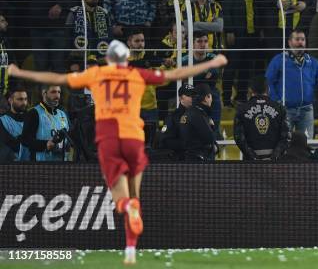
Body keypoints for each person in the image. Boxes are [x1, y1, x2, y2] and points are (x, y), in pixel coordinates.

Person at [8, 40, 227, 265]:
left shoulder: (98, 74)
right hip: (133, 138)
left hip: (109, 140)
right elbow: (176, 74)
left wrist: (19, 71)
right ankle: (131, 249)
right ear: (126, 59)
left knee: (120, 197)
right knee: (135, 193)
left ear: (110, 59)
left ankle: (125, 208)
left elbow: (57, 79)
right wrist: (214, 62)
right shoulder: (136, 74)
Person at [265, 29, 318, 139]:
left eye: (303, 39)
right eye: (297, 39)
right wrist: (276, 100)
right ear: (289, 42)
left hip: (306, 109)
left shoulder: (312, 61)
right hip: (285, 109)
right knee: (283, 142)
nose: (300, 42)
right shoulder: (279, 60)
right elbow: (269, 81)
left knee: (307, 143)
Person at [234, 76, 291, 160]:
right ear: (268, 89)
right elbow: (286, 136)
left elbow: (239, 137)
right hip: (275, 164)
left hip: (250, 165)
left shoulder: (241, 109)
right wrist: (274, 157)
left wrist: (253, 158)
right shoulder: (280, 108)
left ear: (250, 90)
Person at [65, 0, 111, 69]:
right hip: (78, 58)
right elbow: (67, 36)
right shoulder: (74, 13)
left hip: (100, 57)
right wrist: (71, 59)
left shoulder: (104, 13)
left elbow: (110, 36)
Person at [20, 85, 70, 162]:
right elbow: (25, 140)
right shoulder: (34, 113)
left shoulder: (62, 114)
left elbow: (69, 136)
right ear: (44, 93)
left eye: (59, 92)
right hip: (41, 164)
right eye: (53, 92)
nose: (57, 96)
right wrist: (45, 144)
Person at [179, 83, 218, 163]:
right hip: (199, 161)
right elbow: (209, 138)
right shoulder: (199, 114)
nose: (211, 99)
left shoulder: (190, 112)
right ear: (206, 98)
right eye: (210, 96)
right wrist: (212, 127)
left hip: (192, 159)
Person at [159, 83, 197, 159]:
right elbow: (165, 141)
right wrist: (187, 145)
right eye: (189, 95)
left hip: (200, 160)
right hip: (181, 161)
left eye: (194, 95)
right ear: (180, 98)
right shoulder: (173, 117)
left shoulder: (200, 114)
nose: (193, 98)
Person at [0, 88, 28, 161]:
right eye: (20, 99)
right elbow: (5, 145)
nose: (24, 103)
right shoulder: (2, 120)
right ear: (10, 100)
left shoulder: (32, 118)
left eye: (25, 99)